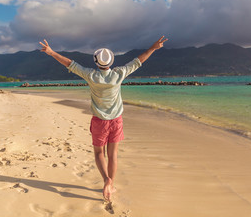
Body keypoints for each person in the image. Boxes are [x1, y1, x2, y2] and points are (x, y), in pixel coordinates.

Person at [39, 36, 168, 201]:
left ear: (96, 62)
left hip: (99, 121)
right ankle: (111, 184)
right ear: (111, 61)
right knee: (113, 155)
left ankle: (106, 180)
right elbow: (138, 61)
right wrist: (153, 48)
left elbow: (69, 63)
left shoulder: (91, 75)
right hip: (116, 120)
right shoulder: (118, 74)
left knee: (99, 152)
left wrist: (51, 52)